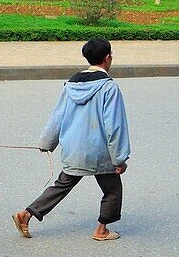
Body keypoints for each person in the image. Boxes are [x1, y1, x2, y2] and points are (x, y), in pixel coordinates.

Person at [12, 37, 131, 242]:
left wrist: (47, 142)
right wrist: (119, 159)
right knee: (112, 190)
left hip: (74, 150)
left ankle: (27, 214)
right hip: (100, 153)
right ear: (107, 58)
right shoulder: (109, 87)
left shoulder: (70, 85)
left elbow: (58, 115)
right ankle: (101, 229)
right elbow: (114, 126)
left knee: (61, 185)